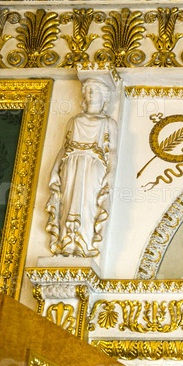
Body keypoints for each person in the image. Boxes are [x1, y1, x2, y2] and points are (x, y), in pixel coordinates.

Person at [46, 78, 118, 257]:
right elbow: (64, 147)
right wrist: (54, 170)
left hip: (94, 164)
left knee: (88, 204)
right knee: (68, 203)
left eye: (95, 91)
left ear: (104, 97)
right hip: (70, 163)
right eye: (88, 90)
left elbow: (113, 151)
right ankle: (66, 242)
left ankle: (83, 243)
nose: (91, 94)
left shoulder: (108, 123)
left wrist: (111, 172)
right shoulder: (74, 120)